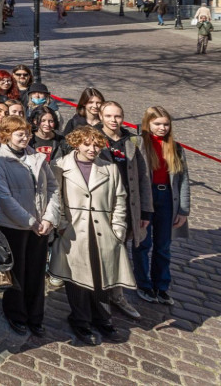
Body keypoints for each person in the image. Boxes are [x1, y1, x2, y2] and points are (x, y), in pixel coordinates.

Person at [50, 125, 136, 345]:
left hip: (103, 231)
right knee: (77, 278)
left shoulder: (109, 168)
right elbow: (55, 196)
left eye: (97, 144)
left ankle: (102, 318)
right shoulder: (60, 166)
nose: (92, 148)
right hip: (75, 231)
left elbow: (119, 198)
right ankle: (80, 319)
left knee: (102, 277)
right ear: (77, 143)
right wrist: (61, 225)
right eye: (87, 143)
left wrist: (118, 228)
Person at [0, 116, 60, 338]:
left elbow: (53, 187)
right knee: (17, 272)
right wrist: (30, 222)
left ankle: (35, 315)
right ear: (6, 135)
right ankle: (16, 314)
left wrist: (49, 218)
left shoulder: (37, 156)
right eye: (20, 134)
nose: (25, 137)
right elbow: (4, 197)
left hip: (41, 224)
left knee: (37, 272)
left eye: (27, 133)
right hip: (16, 226)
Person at [98, 101, 152, 319]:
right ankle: (101, 296)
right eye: (109, 116)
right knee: (103, 251)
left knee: (121, 251)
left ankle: (117, 294)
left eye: (118, 116)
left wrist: (146, 211)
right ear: (101, 116)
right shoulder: (94, 140)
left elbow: (143, 177)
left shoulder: (132, 141)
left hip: (129, 205)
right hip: (104, 207)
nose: (113, 120)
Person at [134, 106, 190, 307]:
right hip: (147, 198)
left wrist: (184, 209)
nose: (162, 128)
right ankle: (143, 283)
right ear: (147, 124)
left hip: (167, 197)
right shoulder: (139, 145)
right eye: (157, 124)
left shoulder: (176, 147)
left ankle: (162, 285)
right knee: (143, 243)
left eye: (166, 124)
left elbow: (183, 180)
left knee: (163, 245)